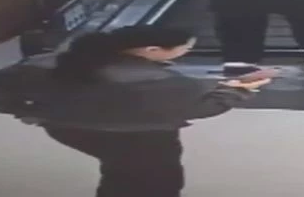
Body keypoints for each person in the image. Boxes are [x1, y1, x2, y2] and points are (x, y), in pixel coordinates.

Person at [37, 25, 269, 197]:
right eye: (184, 48)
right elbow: (201, 107)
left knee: (120, 172)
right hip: (139, 136)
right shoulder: (157, 80)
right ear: (153, 49)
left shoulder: (77, 61)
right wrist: (237, 89)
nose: (186, 51)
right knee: (158, 180)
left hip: (71, 129)